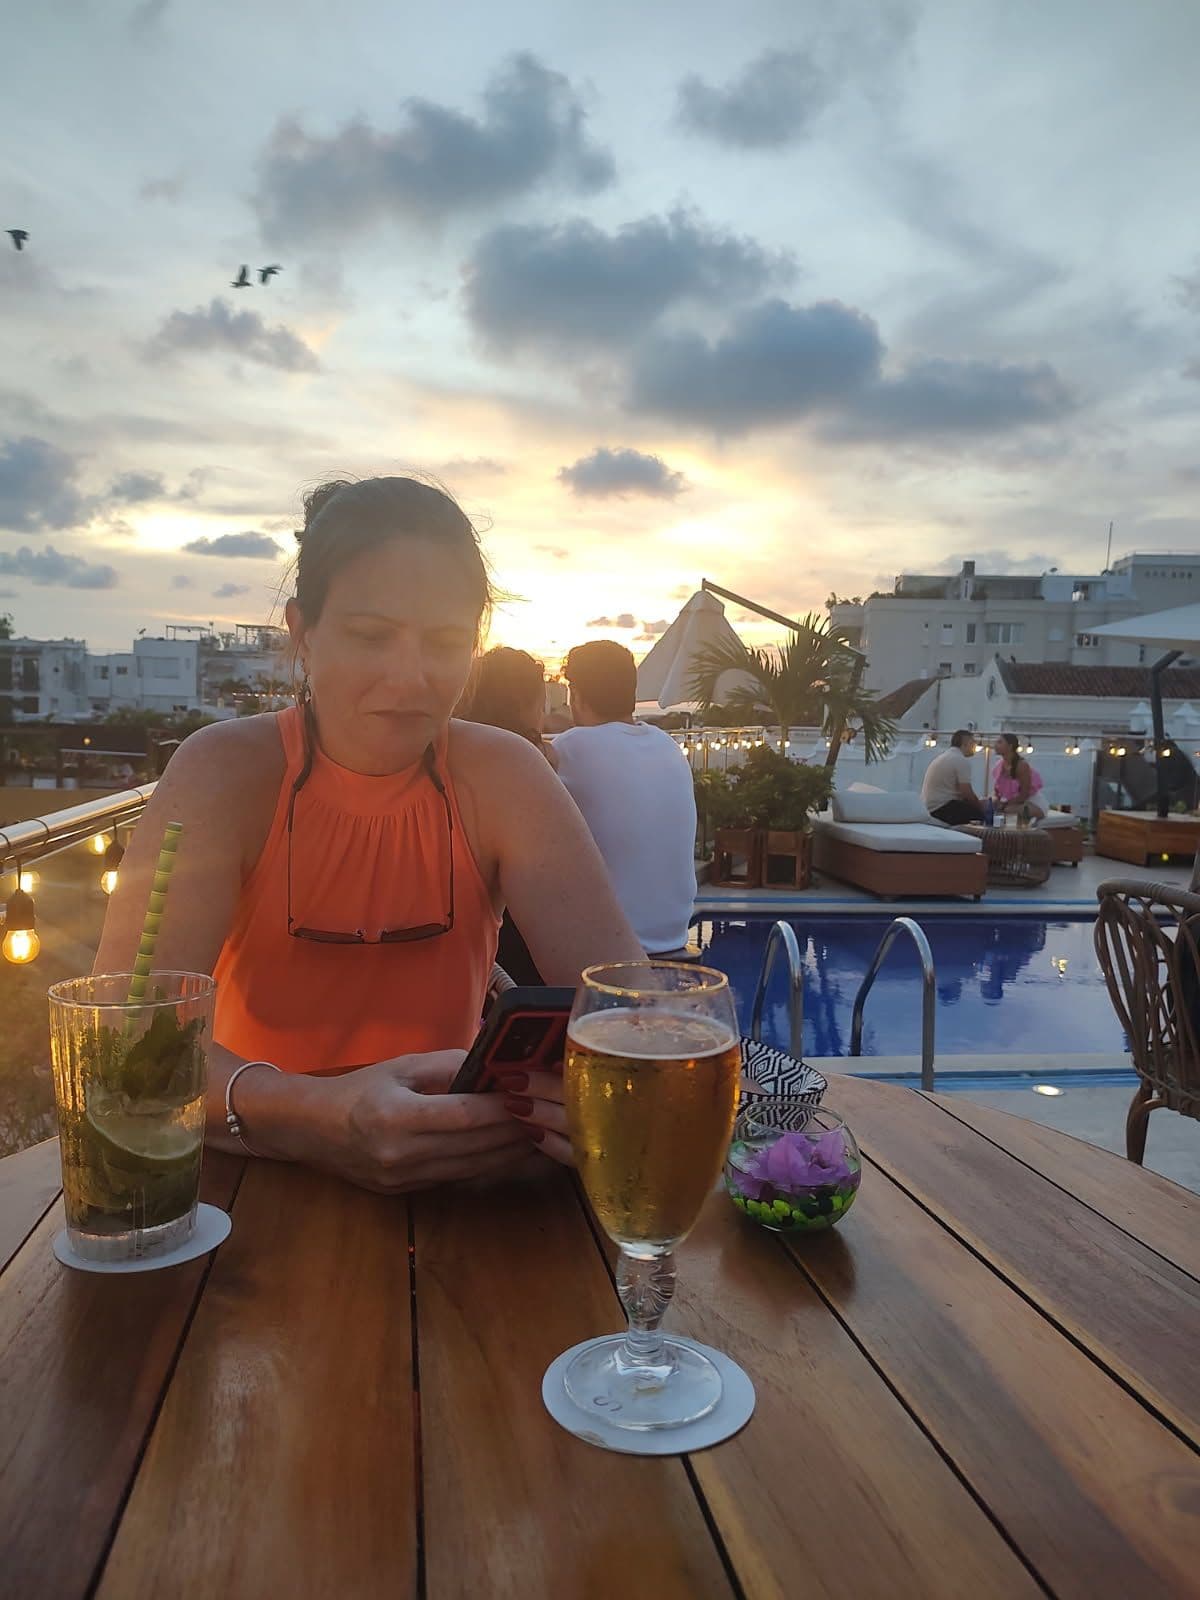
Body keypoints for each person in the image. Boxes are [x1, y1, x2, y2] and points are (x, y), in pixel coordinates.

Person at [95, 477, 642, 1193]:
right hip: (242, 1195)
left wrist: (596, 1089)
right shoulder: (223, 775)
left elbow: (634, 1008)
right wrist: (313, 1115)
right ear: (303, 632)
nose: (410, 677)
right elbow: (121, 1042)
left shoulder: (505, 778)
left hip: (455, 1190)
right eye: (370, 636)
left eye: (444, 643)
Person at [554, 640, 697, 957]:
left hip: (614, 950)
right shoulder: (667, 746)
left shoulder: (572, 747)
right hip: (674, 936)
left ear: (575, 694)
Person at [457, 646, 555, 983]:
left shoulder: (449, 759)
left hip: (470, 955)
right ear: (530, 705)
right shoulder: (533, 765)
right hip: (519, 956)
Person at [921, 729, 985, 824]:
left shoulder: (944, 756)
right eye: (973, 743)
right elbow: (966, 793)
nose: (974, 746)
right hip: (941, 807)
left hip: (928, 806)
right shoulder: (961, 760)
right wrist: (980, 806)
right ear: (965, 744)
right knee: (981, 816)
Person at [992, 732, 1046, 822]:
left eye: (1000, 742)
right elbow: (996, 792)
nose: (995, 745)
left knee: (1008, 810)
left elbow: (1024, 794)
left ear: (1010, 746)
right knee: (987, 804)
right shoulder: (999, 766)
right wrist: (997, 801)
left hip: (1032, 803)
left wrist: (1005, 804)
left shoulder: (1021, 765)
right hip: (1011, 803)